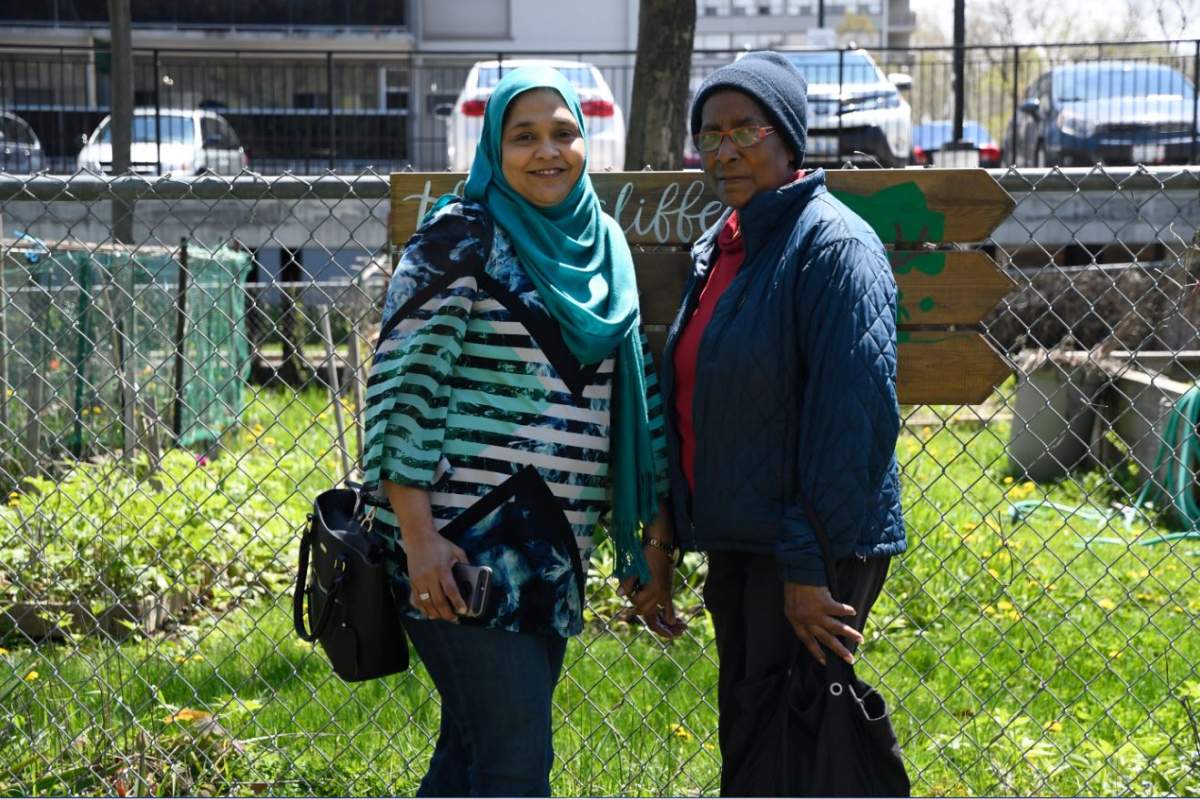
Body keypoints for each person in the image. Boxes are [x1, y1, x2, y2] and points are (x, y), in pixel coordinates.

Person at [360, 66, 680, 798]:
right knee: (515, 765)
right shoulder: (461, 235)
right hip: (461, 552)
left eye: (564, 133)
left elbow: (640, 404)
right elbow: (401, 390)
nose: (548, 152)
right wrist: (418, 540)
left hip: (552, 557)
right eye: (524, 136)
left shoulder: (605, 249)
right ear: (492, 149)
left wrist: (651, 539)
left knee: (472, 758)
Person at [656, 52, 907, 795]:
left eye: (745, 129)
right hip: (745, 539)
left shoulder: (833, 247)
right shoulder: (727, 243)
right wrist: (670, 529)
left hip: (809, 546)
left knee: (792, 758)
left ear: (788, 137)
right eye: (710, 134)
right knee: (760, 746)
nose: (724, 149)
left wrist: (805, 567)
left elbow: (851, 424)